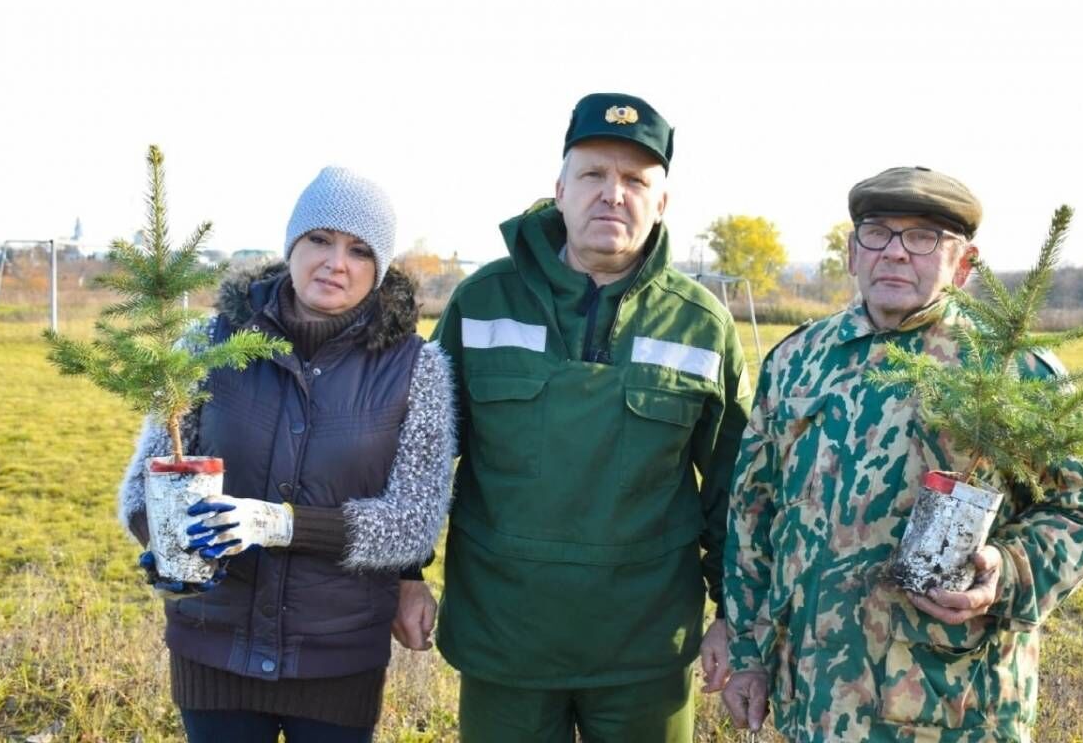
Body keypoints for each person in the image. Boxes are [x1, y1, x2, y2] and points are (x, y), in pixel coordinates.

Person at [722, 166, 1083, 742]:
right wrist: (749, 653)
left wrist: (1004, 573)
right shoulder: (797, 359)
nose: (896, 253)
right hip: (810, 698)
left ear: (963, 264)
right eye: (878, 233)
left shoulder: (1014, 372)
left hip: (946, 706)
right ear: (852, 252)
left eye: (923, 238)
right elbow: (752, 512)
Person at [411, 92, 751, 741]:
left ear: (662, 203)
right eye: (593, 174)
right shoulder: (482, 302)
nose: (612, 194)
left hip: (645, 647)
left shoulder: (700, 324)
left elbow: (735, 488)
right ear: (560, 188)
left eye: (635, 180)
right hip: (506, 636)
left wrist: (732, 614)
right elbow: (422, 454)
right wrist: (405, 575)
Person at [117, 166, 455, 742]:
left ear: (379, 268)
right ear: (292, 244)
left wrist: (275, 523)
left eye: (358, 250)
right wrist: (169, 545)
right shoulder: (206, 343)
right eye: (319, 240)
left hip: (337, 655)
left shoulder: (416, 368)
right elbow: (142, 488)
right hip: (213, 643)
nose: (335, 262)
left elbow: (414, 524)